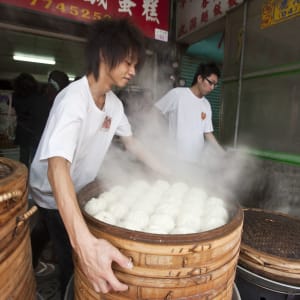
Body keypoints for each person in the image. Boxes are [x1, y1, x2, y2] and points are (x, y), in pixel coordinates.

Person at [29, 18, 167, 298]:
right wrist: (85, 244)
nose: (132, 71)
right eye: (128, 62)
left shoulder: (114, 105)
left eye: (135, 65)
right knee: (71, 255)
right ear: (104, 54)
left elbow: (132, 143)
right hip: (52, 191)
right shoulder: (73, 101)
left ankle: (31, 261)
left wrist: (169, 173)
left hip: (77, 188)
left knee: (46, 233)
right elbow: (57, 167)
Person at [155, 62, 224, 164]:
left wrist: (222, 153)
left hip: (195, 161)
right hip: (174, 158)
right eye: (210, 82)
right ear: (200, 78)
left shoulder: (206, 105)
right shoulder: (177, 94)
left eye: (215, 85)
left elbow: (208, 133)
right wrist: (160, 136)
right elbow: (155, 112)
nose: (212, 88)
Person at [12, 73, 41, 168]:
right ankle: (31, 181)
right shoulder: (36, 98)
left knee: (23, 160)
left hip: (22, 132)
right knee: (34, 161)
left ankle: (23, 180)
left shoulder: (15, 97)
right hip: (34, 133)